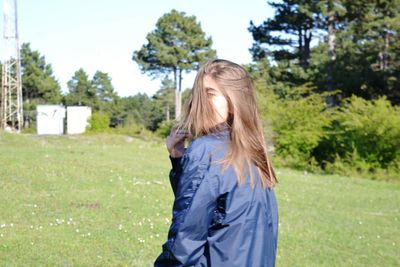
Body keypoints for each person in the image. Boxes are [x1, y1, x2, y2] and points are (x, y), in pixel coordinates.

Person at [154, 59, 279, 267]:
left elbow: (185, 241)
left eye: (210, 94)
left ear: (234, 102)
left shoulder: (207, 150)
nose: (198, 101)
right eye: (198, 93)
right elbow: (209, 210)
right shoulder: (253, 153)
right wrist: (178, 159)